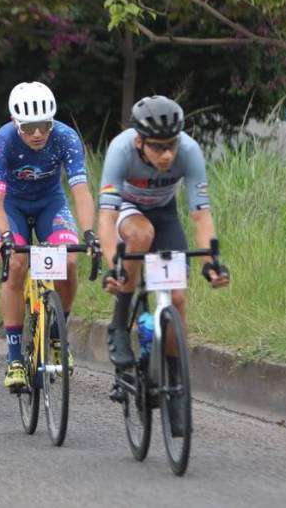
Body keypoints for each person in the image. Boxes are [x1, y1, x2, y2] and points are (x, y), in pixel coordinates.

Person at [98, 95, 230, 370]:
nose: (167, 154)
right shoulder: (121, 150)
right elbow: (107, 219)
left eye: (172, 145)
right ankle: (119, 325)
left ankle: (173, 377)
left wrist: (210, 264)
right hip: (127, 207)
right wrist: (113, 266)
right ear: (139, 142)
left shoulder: (190, 151)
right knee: (141, 234)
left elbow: (201, 215)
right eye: (158, 148)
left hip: (164, 213)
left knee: (177, 297)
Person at [0, 81, 98, 389]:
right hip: (13, 207)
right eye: (29, 127)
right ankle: (15, 359)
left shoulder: (65, 137)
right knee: (17, 267)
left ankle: (57, 336)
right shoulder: (3, 141)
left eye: (44, 125)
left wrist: (89, 233)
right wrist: (5, 237)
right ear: (15, 123)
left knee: (70, 261)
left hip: (51, 203)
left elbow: (81, 191)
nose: (37, 133)